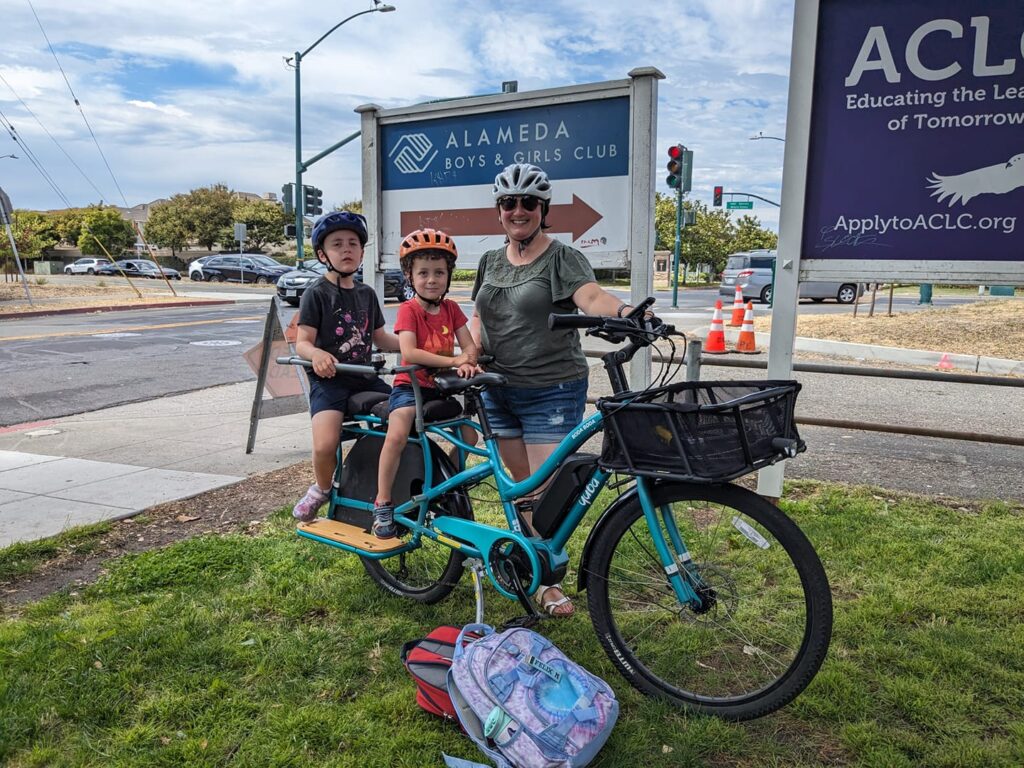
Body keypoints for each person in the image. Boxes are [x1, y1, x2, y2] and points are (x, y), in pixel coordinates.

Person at [470, 163, 650, 617]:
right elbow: (477, 315)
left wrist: (627, 310)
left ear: (542, 209)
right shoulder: (491, 261)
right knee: (522, 492)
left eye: (528, 203)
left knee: (547, 492)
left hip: (550, 389)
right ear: (499, 211)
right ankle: (538, 574)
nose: (518, 210)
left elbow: (590, 296)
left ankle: (547, 580)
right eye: (509, 203)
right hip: (495, 386)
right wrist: (467, 352)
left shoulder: (561, 257)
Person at [292, 211, 399, 523]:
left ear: (362, 252)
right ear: (323, 254)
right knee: (326, 444)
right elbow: (302, 341)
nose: (347, 249)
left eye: (353, 243)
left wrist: (415, 346)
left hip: (365, 378)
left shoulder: (367, 294)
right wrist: (316, 355)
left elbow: (380, 337)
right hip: (331, 382)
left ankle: (381, 486)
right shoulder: (316, 293)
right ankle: (322, 488)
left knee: (403, 418)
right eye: (337, 244)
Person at [373, 229, 480, 537]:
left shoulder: (451, 309)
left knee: (469, 435)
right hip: (409, 387)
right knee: (397, 432)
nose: (431, 279)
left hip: (438, 387)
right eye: (423, 273)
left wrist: (470, 359)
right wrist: (453, 361)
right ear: (410, 276)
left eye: (439, 272)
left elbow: (468, 344)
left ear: (448, 276)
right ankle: (383, 502)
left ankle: (446, 485)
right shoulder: (409, 310)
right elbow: (409, 351)